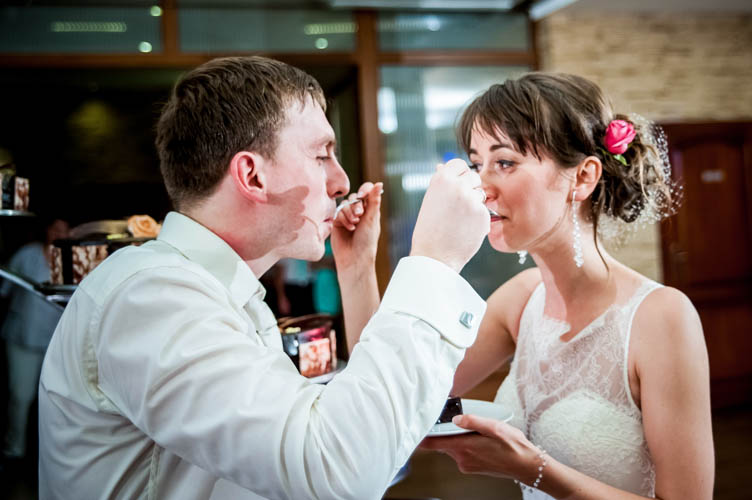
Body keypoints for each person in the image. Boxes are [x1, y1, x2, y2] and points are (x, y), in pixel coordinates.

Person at [37, 56, 491, 499]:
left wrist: (355, 272)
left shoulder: (225, 294)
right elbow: (336, 471)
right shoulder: (152, 297)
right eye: (321, 154)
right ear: (252, 176)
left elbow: (352, 432)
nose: (341, 181)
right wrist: (435, 263)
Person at [418, 73, 714, 499]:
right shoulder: (521, 299)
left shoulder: (662, 316)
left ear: (583, 177)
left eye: (505, 162)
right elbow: (404, 392)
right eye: (476, 164)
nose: (480, 188)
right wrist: (358, 266)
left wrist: (533, 470)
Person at [1, 218, 69, 464]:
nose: (59, 234)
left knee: (56, 401)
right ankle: (14, 449)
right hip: (23, 337)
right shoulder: (27, 254)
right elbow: (4, 290)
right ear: (47, 230)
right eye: (55, 228)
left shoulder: (72, 258)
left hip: (57, 343)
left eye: (65, 230)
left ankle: (49, 455)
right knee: (21, 396)